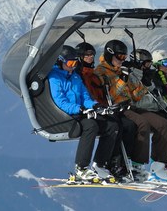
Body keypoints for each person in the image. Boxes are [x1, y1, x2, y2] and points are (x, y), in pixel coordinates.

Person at [94, 40, 167, 183]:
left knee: (163, 124)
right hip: (118, 107)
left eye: (124, 58)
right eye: (119, 57)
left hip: (131, 105)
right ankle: (136, 165)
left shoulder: (121, 70)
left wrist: (144, 85)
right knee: (142, 124)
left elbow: (135, 95)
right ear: (109, 55)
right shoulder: (101, 71)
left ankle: (158, 166)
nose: (122, 60)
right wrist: (122, 80)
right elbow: (111, 96)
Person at [47, 45, 119, 182]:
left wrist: (96, 106)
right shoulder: (54, 78)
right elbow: (60, 102)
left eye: (75, 63)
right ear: (60, 61)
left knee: (111, 124)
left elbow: (85, 97)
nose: (73, 66)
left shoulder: (75, 77)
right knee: (91, 125)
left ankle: (100, 164)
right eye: (70, 63)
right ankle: (81, 168)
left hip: (80, 112)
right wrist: (80, 109)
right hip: (66, 116)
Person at [75, 42, 136, 180]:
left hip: (99, 106)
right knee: (116, 124)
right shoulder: (82, 74)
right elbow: (89, 95)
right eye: (86, 55)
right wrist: (96, 106)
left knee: (123, 125)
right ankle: (108, 163)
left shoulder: (92, 73)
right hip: (89, 110)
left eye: (92, 54)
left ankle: (114, 163)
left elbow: (101, 92)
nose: (90, 57)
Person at [130, 49, 167, 174]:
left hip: (152, 107)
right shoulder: (132, 75)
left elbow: (155, 94)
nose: (148, 66)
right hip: (140, 109)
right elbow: (136, 100)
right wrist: (157, 103)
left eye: (149, 63)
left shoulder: (147, 74)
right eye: (146, 63)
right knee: (164, 124)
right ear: (138, 63)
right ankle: (160, 161)